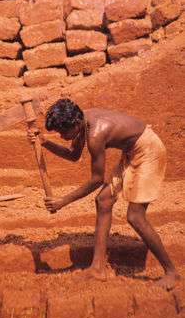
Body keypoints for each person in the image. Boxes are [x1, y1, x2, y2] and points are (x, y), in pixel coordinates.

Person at [28, 98, 180, 290]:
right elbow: (74, 155)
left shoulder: (95, 134)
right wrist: (44, 142)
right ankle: (98, 268)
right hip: (131, 152)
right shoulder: (83, 120)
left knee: (135, 216)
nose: (62, 136)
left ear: (75, 124)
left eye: (63, 132)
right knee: (104, 200)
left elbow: (97, 179)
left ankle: (171, 273)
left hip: (149, 151)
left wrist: (63, 201)